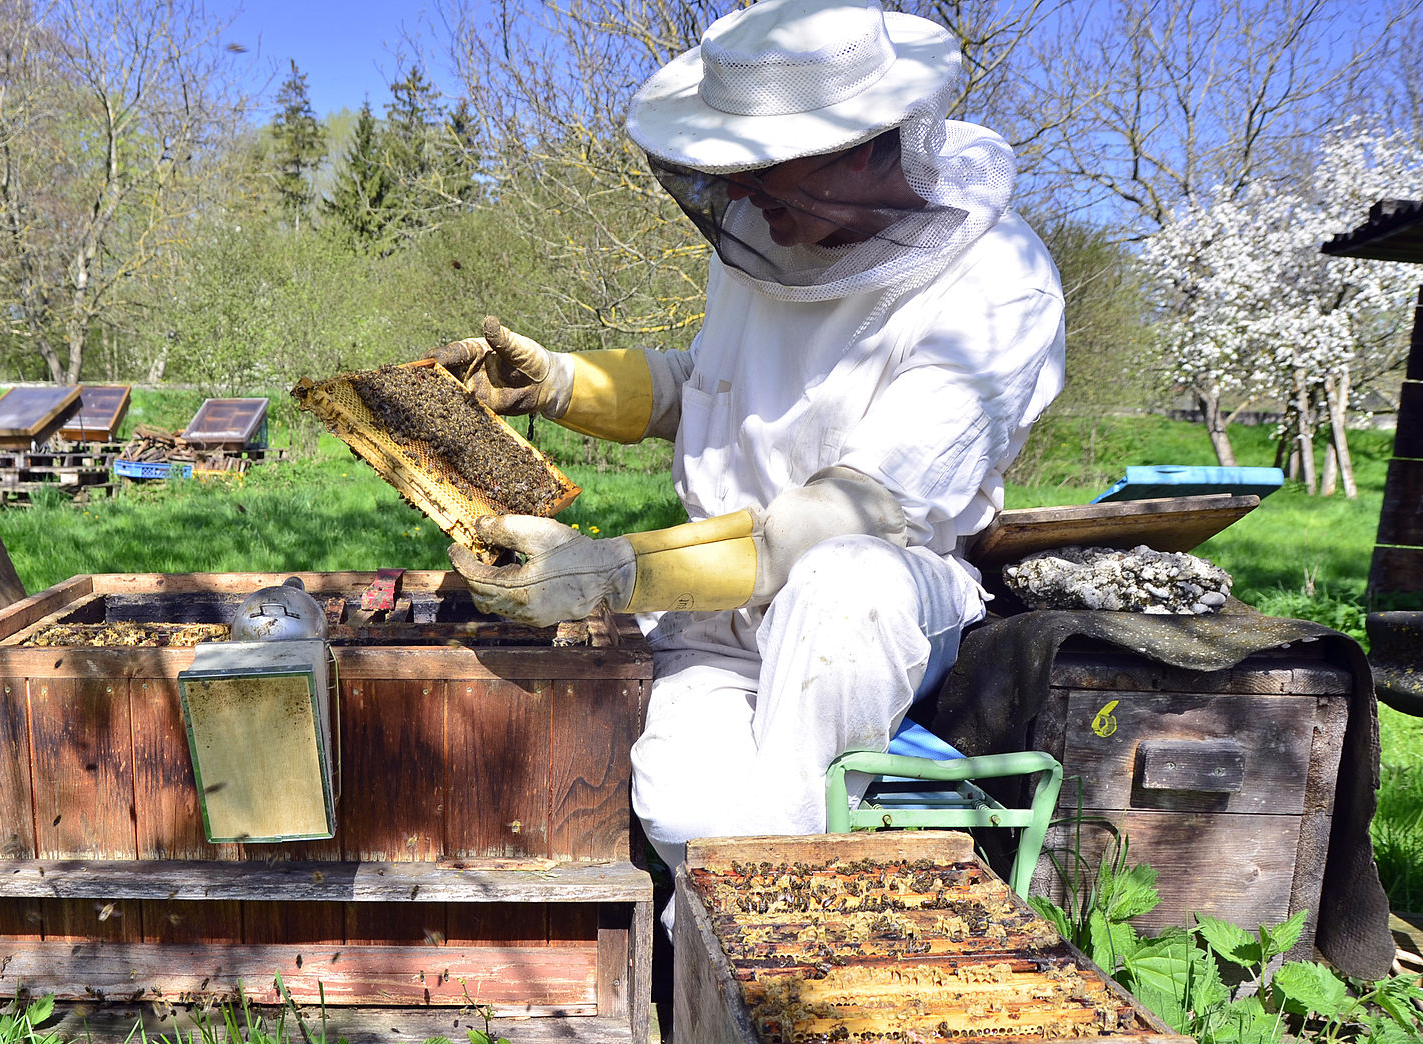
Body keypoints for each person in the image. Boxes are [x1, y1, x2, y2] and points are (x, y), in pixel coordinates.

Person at [428, 0, 1065, 896]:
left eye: (769, 169)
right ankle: (738, 959)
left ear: (872, 144)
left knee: (842, 583)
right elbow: (712, 387)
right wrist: (563, 383)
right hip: (719, 604)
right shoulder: (764, 241)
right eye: (731, 168)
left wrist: (615, 572)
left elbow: (864, 509)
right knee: (692, 814)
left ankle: (778, 952)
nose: (741, 195)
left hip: (885, 604)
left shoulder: (1000, 284)